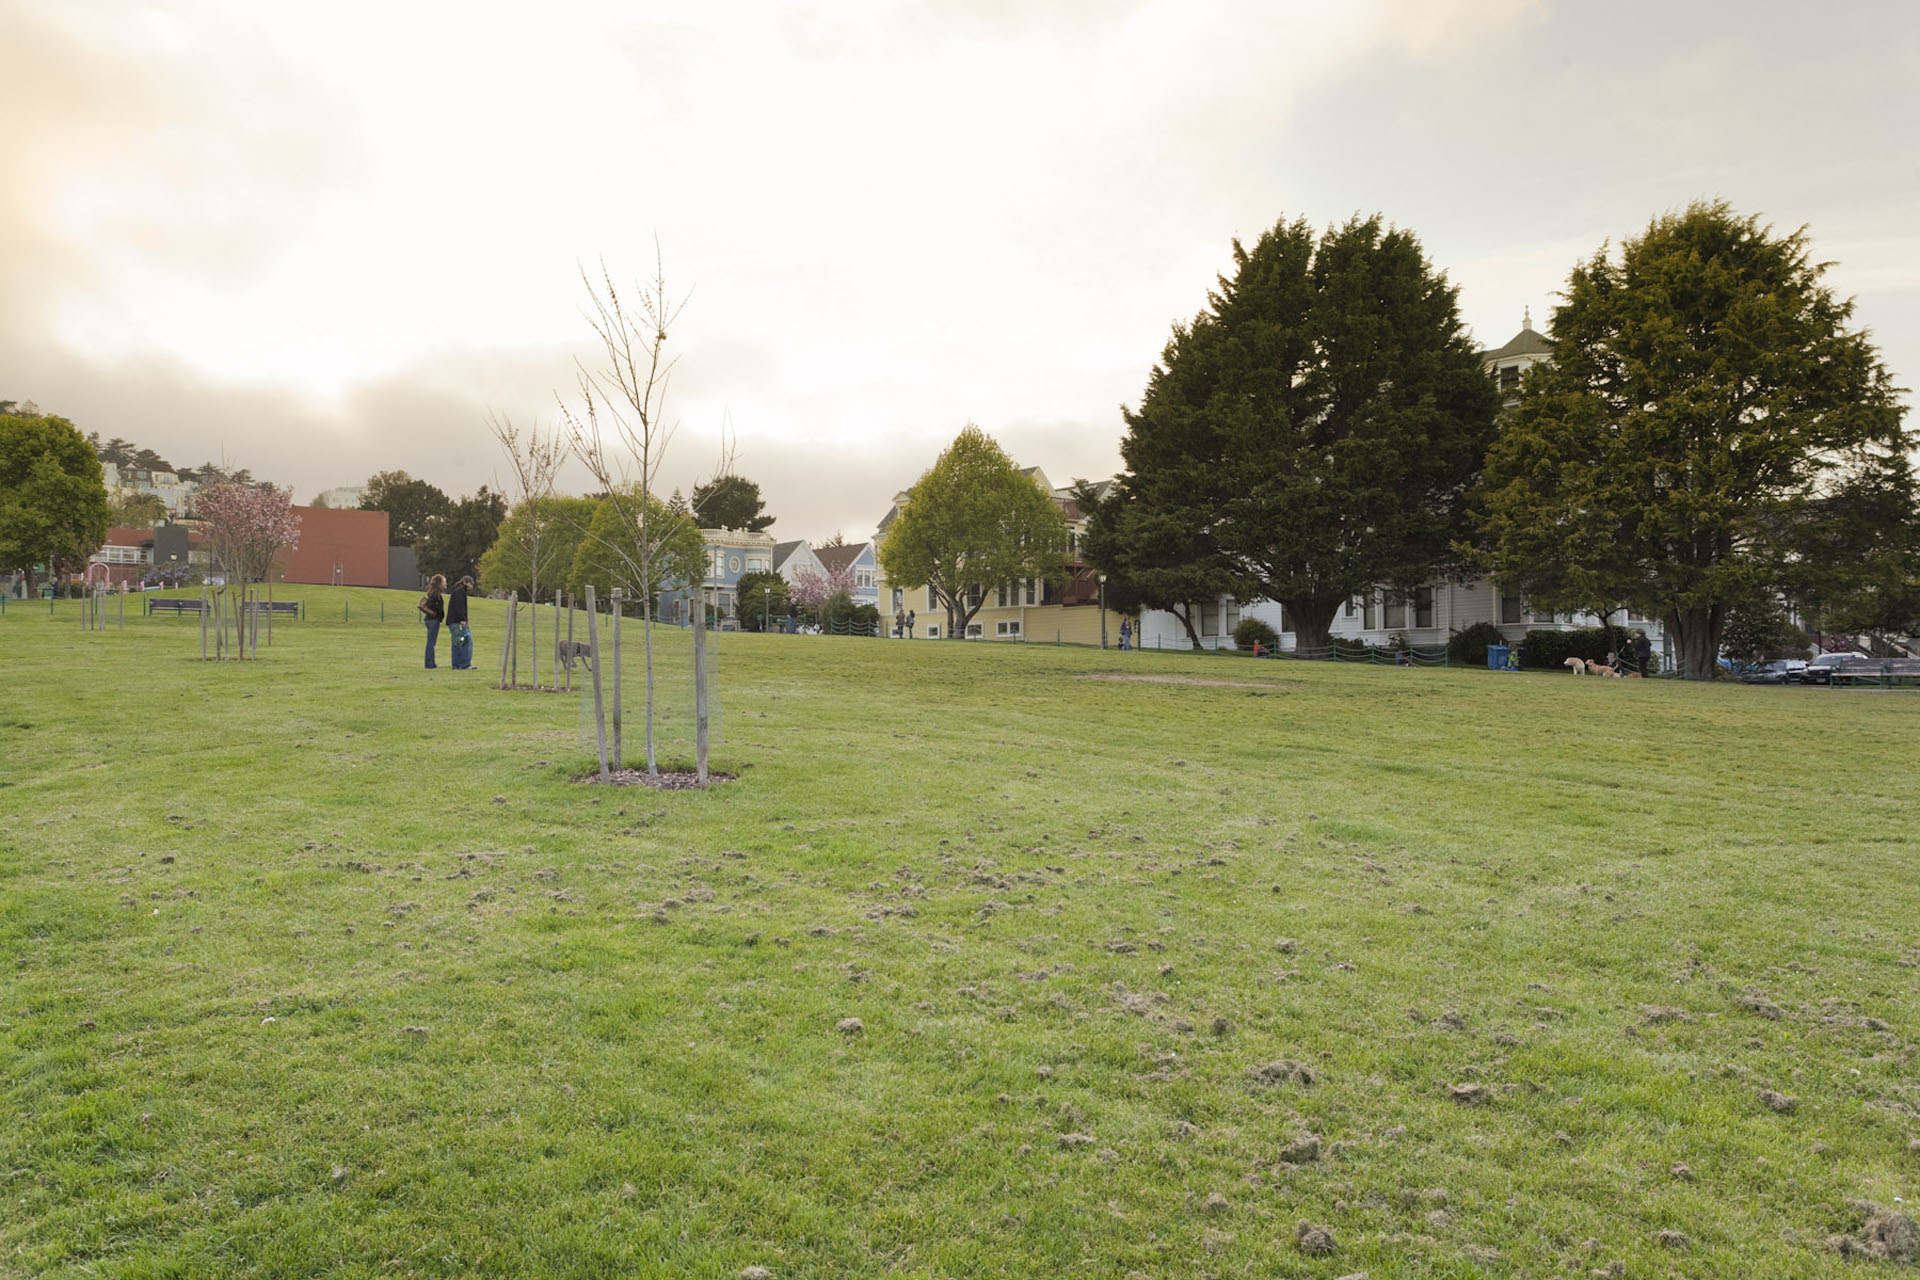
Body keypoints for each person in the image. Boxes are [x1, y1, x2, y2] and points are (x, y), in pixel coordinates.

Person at [447, 575, 474, 669]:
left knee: (458, 643)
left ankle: (458, 665)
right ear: (465, 582)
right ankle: (463, 665)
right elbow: (459, 607)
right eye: (470, 583)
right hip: (457, 622)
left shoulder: (458, 591)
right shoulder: (459, 592)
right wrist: (462, 619)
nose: (471, 585)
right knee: (466, 642)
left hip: (455, 621)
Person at [420, 574, 446, 668]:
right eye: (444, 581)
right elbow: (435, 608)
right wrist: (440, 614)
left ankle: (431, 662)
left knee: (431, 642)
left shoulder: (433, 594)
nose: (445, 584)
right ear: (439, 583)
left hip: (430, 620)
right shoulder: (436, 595)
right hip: (433, 620)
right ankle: (429, 664)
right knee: (431, 643)